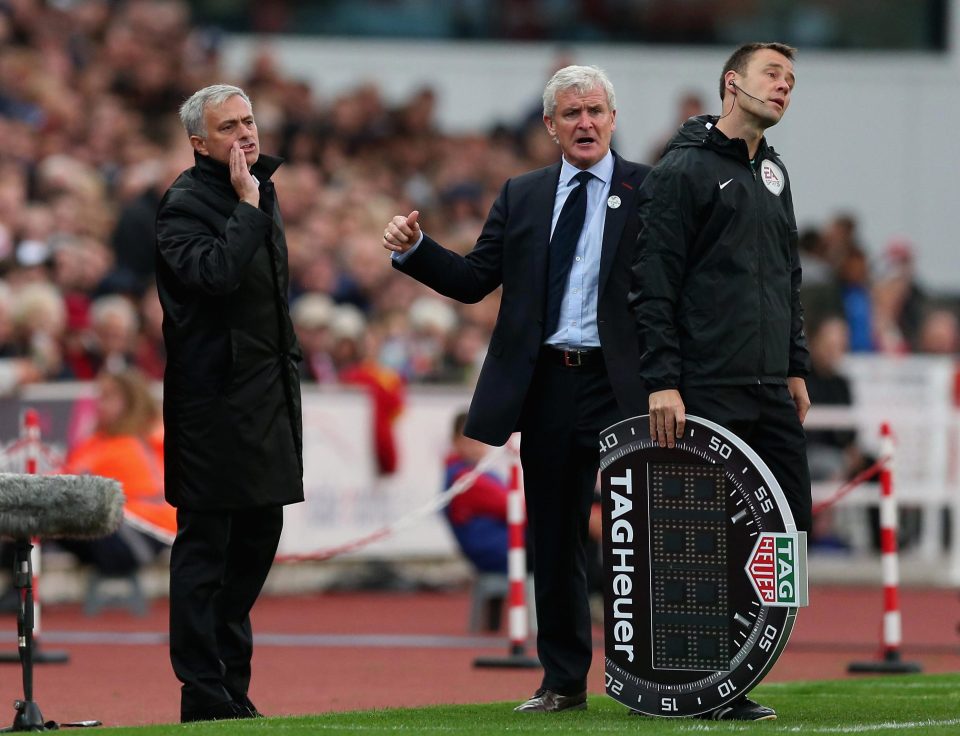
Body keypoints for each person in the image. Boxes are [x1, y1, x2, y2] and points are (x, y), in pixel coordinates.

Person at [383, 65, 650, 713]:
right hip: (550, 386)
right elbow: (476, 279)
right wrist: (416, 250)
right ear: (550, 126)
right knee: (555, 538)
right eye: (571, 113)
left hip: (626, 387)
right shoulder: (523, 194)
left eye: (595, 110)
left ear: (613, 119)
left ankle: (649, 673)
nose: (585, 122)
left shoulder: (653, 190)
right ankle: (562, 681)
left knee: (637, 534)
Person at [630, 42, 810, 721]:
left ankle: (729, 673)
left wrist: (795, 365)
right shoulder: (681, 171)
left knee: (788, 534)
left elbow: (787, 278)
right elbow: (653, 283)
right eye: (773, 74)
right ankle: (699, 681)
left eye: (792, 80)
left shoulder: (775, 173)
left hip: (769, 385)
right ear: (732, 84)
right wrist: (663, 381)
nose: (785, 87)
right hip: (708, 384)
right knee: (708, 540)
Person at [155, 84, 304, 723]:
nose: (245, 134)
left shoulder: (261, 191)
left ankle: (232, 689)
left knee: (255, 543)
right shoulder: (182, 206)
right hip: (211, 406)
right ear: (198, 142)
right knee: (206, 550)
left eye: (248, 122)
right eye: (227, 127)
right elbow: (213, 276)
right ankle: (203, 693)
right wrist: (246, 206)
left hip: (267, 398)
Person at [57, 368, 174, 574]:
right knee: (32, 520)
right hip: (116, 531)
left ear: (130, 401)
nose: (99, 405)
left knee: (38, 519)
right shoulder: (96, 443)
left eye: (108, 397)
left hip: (140, 537)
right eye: (99, 396)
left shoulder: (137, 443)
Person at [443, 410, 510, 576]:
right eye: (471, 442)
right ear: (456, 442)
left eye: (481, 440)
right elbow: (515, 508)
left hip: (499, 544)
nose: (477, 447)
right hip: (497, 550)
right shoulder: (464, 478)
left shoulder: (481, 473)